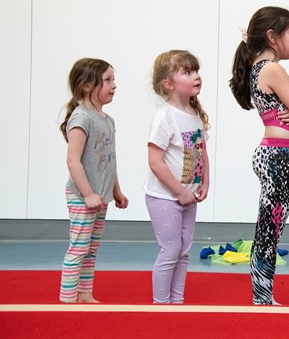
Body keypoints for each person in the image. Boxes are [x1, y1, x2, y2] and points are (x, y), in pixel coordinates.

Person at [229, 6, 289, 305]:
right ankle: (261, 296)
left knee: (272, 226)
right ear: (272, 36)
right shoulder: (272, 69)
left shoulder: (264, 68)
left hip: (282, 157)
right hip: (278, 158)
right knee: (270, 227)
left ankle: (263, 293)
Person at [59, 58, 129, 303]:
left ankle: (85, 294)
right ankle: (68, 299)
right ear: (87, 86)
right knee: (79, 248)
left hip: (100, 196)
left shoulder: (107, 120)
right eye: (108, 80)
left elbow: (109, 161)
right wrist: (88, 193)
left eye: (113, 79)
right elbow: (73, 161)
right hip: (82, 196)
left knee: (91, 250)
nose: (114, 85)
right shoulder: (82, 118)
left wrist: (116, 190)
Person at [144, 50, 211, 304]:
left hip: (189, 196)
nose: (196, 76)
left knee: (183, 251)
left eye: (196, 71)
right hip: (165, 197)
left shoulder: (194, 115)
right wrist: (179, 191)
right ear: (168, 84)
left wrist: (204, 182)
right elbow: (155, 162)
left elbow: (202, 153)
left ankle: (177, 301)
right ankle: (161, 304)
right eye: (188, 72)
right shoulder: (164, 117)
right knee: (170, 249)